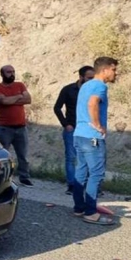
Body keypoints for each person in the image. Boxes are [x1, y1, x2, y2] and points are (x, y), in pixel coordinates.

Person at [72, 56, 119, 226]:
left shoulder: (86, 85)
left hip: (79, 135)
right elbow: (93, 104)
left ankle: (79, 208)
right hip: (92, 137)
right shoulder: (100, 85)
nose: (115, 73)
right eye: (113, 69)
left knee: (81, 172)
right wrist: (98, 125)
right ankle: (90, 212)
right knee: (96, 174)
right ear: (105, 70)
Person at [54, 66, 95, 195]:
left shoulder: (94, 91)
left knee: (89, 157)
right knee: (71, 157)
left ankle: (90, 185)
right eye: (89, 77)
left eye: (92, 78)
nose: (91, 80)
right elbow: (57, 107)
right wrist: (65, 124)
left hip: (88, 129)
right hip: (72, 128)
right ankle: (72, 184)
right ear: (81, 77)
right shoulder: (68, 90)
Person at [0, 65, 33, 187]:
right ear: (2, 74)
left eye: (13, 71)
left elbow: (28, 99)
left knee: (23, 155)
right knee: (3, 155)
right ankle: (2, 177)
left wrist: (12, 99)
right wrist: (19, 97)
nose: (12, 74)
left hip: (21, 127)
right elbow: (4, 102)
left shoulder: (20, 85)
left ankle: (24, 177)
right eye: (9, 72)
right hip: (5, 128)